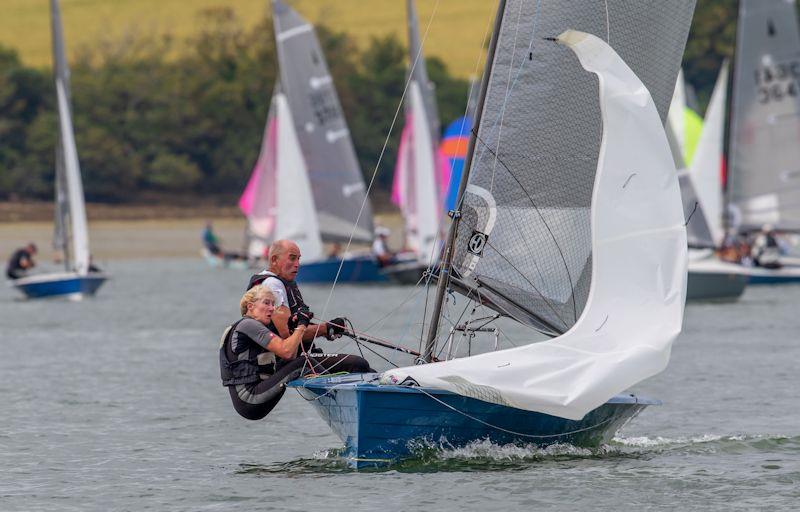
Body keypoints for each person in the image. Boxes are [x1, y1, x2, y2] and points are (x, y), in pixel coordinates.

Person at [220, 285, 371, 420]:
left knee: (356, 363)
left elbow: (290, 353)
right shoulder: (248, 325)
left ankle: (375, 384)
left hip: (258, 392)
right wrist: (301, 326)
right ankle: (345, 402)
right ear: (251, 307)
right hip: (249, 399)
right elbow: (286, 352)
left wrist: (294, 327)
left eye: (273, 304)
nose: (272, 308)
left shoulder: (254, 326)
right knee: (303, 363)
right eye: (266, 303)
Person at [248, 239, 372, 363]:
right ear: (274, 260)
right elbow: (287, 334)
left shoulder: (283, 282)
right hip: (283, 361)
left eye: (298, 259)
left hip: (301, 354)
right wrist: (325, 328)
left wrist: (328, 329)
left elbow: (298, 326)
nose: (297, 264)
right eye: (292, 258)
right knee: (358, 363)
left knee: (358, 365)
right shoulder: (272, 284)